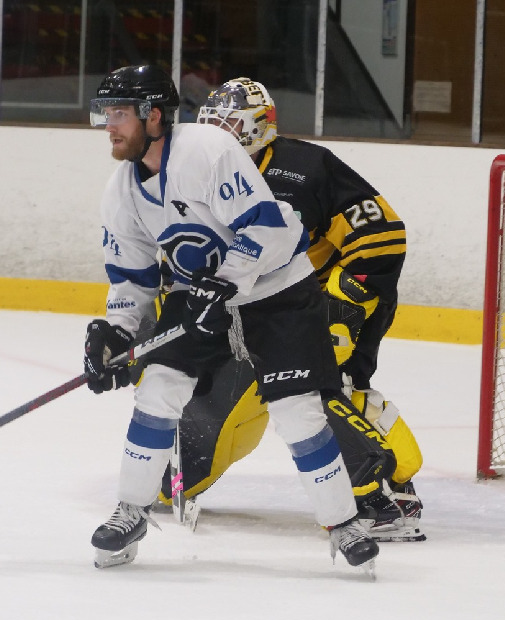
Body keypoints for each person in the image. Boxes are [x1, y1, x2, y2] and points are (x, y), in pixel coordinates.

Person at [82, 64, 378, 570]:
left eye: (119, 114)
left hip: (277, 288)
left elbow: (267, 228)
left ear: (154, 116)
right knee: (158, 387)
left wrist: (228, 280)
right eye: (104, 114)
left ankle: (344, 524)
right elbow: (131, 278)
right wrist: (116, 330)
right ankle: (130, 511)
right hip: (201, 292)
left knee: (297, 409)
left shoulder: (207, 151)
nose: (108, 125)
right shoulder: (122, 190)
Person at [133, 76, 422, 541]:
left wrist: (344, 304)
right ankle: (386, 447)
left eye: (231, 127)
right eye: (212, 125)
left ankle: (372, 497)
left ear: (259, 128)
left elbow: (381, 235)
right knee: (177, 481)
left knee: (310, 386)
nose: (219, 138)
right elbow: (174, 253)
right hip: (232, 313)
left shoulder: (306, 167)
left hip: (307, 304)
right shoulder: (187, 171)